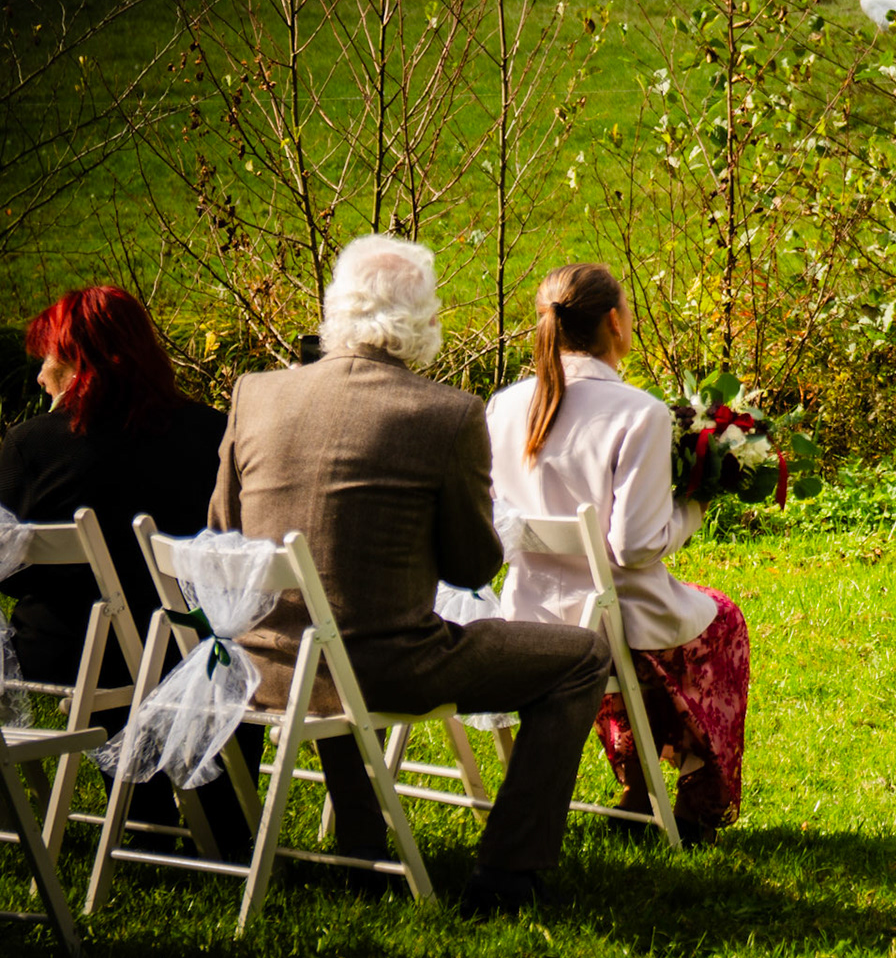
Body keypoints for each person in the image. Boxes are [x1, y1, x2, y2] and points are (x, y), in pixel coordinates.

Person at [210, 236, 611, 916]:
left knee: (338, 625)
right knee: (582, 657)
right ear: (423, 321)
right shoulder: (446, 413)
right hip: (383, 667)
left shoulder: (257, 393)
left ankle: (364, 846)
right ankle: (509, 870)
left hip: (263, 662)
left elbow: (222, 531)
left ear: (336, 308)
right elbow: (471, 566)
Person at [487, 264, 748, 849]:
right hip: (613, 615)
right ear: (614, 321)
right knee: (723, 621)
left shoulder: (504, 406)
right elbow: (634, 547)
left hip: (526, 614)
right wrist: (695, 504)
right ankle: (694, 800)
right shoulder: (637, 413)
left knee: (653, 643)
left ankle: (639, 786)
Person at [0, 285, 256, 856]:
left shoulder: (31, 446)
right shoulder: (212, 432)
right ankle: (225, 827)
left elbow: (8, 571)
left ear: (78, 362)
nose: (40, 376)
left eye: (49, 359)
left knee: (108, 648)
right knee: (217, 652)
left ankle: (144, 818)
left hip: (70, 651)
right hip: (190, 644)